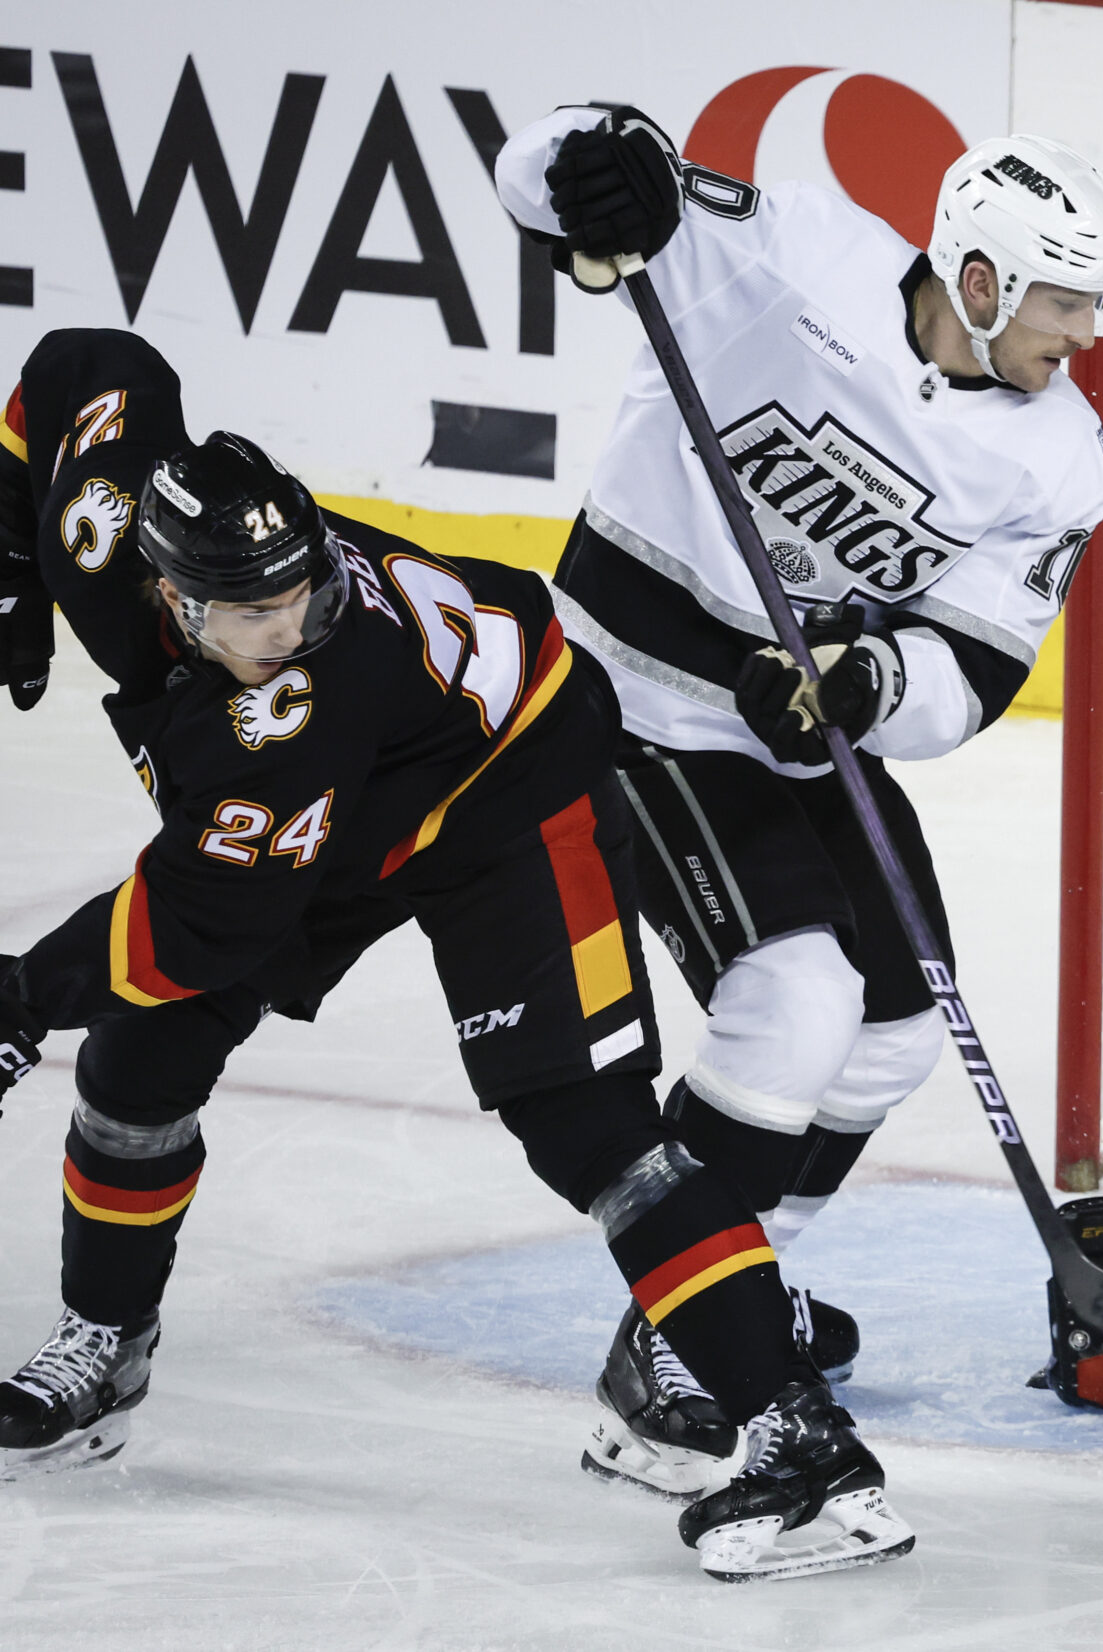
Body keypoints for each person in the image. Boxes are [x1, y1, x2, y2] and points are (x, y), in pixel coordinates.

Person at [0, 332, 909, 1577]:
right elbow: (82, 365)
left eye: (306, 590)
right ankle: (105, 1339)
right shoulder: (100, 527)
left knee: (589, 1129)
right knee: (138, 1063)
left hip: (512, 790)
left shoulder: (295, 711)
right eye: (256, 612)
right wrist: (13, 541)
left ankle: (792, 1431)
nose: (293, 622)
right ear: (167, 592)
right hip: (333, 818)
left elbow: (197, 923)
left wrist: (17, 995)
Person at [492, 108, 1103, 1493]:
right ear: (981, 279)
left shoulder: (1060, 456)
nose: (1084, 337)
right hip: (631, 696)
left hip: (797, 734)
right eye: (1067, 305)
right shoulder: (786, 259)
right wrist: (582, 169)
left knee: (898, 1030)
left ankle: (738, 1283)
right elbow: (561, 174)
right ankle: (670, 1345)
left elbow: (973, 667)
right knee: (794, 1003)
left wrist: (869, 683)